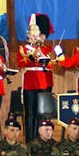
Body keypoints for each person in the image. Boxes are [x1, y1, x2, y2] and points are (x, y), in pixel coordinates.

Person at [17, 14, 55, 142]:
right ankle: (29, 139)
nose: (35, 37)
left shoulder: (45, 48)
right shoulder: (23, 48)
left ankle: (40, 138)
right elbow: (21, 62)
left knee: (40, 113)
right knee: (29, 113)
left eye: (37, 35)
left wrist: (44, 58)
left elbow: (51, 64)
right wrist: (33, 56)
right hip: (30, 82)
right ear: (28, 36)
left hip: (42, 82)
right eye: (33, 35)